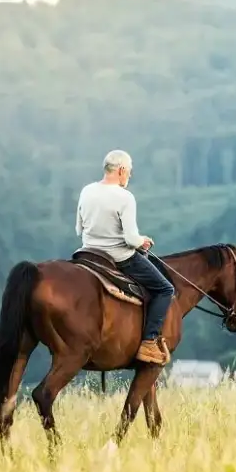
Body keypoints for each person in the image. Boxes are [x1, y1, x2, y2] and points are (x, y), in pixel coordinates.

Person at [75, 149, 174, 365]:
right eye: (129, 172)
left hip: (88, 253)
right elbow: (130, 239)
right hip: (118, 257)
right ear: (121, 170)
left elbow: (78, 228)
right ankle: (149, 342)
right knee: (165, 289)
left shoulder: (87, 190)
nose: (129, 176)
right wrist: (143, 241)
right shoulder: (125, 197)